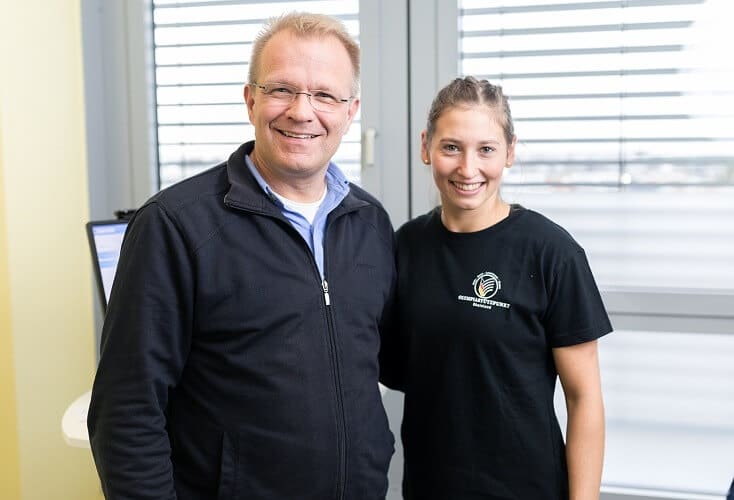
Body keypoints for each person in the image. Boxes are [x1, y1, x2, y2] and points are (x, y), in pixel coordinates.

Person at [88, 12, 397, 500]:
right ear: (250, 98)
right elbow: (126, 411)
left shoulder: (369, 222)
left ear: (350, 109)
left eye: (324, 95)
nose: (302, 111)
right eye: (282, 89)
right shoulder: (174, 226)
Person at [380, 76, 613, 499]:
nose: (468, 168)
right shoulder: (405, 246)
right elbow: (397, 366)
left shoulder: (551, 253)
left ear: (509, 152)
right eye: (451, 147)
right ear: (425, 147)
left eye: (486, 149)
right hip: (430, 486)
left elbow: (585, 400)